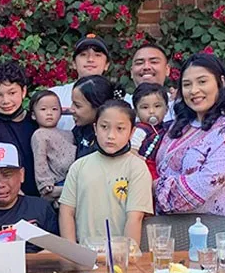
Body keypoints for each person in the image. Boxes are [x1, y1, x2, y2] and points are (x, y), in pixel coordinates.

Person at [155, 53, 225, 216]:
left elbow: (204, 185)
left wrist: (152, 186)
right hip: (163, 225)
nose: (194, 90)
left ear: (221, 82)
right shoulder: (179, 124)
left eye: (202, 81)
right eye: (187, 84)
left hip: (208, 227)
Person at [59, 100, 154, 246]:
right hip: (85, 253)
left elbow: (135, 218)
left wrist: (127, 254)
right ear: (95, 128)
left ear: (131, 132)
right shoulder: (79, 166)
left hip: (120, 253)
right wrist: (72, 251)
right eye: (104, 127)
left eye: (120, 128)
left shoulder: (137, 168)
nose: (111, 135)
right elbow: (66, 212)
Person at [0, 62, 38, 197]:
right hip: (9, 196)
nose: (6, 101)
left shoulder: (35, 120)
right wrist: (22, 200)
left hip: (41, 193)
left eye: (12, 93)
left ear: (23, 91)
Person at [50, 34, 111, 130]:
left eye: (97, 55)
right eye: (83, 55)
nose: (90, 59)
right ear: (74, 63)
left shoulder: (121, 97)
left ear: (107, 64)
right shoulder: (54, 95)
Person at [29, 90, 76, 200]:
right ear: (33, 115)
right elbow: (40, 161)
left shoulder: (69, 133)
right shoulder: (40, 135)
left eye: (54, 109)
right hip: (57, 181)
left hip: (73, 176)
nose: (49, 113)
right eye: (43, 109)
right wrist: (45, 182)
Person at [70, 75, 117, 159]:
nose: (71, 109)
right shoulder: (81, 129)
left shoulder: (110, 139)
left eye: (77, 105)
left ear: (98, 107)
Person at [130, 83, 169, 179]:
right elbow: (131, 150)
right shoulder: (140, 130)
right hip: (144, 166)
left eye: (157, 106)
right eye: (145, 107)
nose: (151, 111)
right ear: (136, 112)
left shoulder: (166, 128)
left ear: (166, 109)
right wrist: (140, 161)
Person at [129, 43, 176, 121]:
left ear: (167, 69)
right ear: (131, 72)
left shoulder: (178, 106)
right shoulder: (120, 108)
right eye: (139, 63)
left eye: (154, 62)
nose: (146, 67)